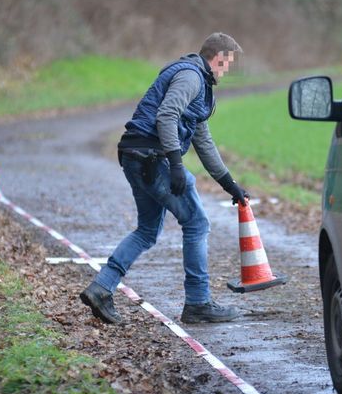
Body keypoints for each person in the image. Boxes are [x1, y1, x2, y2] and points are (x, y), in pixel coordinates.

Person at [80, 33, 249, 324]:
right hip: (153, 157)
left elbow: (203, 140)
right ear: (218, 57)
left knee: (146, 231)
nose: (226, 70)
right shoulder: (191, 77)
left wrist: (229, 184)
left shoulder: (194, 81)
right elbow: (167, 115)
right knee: (197, 223)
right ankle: (198, 302)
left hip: (135, 155)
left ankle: (101, 287)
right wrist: (175, 163)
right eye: (227, 64)